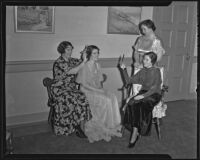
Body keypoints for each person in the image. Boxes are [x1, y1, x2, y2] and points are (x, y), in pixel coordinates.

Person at [76, 45, 122, 143]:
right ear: (89, 55)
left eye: (98, 53)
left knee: (112, 96)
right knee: (106, 99)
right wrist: (99, 91)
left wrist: (102, 90)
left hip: (96, 89)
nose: (97, 55)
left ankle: (111, 124)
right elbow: (84, 84)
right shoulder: (84, 66)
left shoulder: (97, 65)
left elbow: (100, 82)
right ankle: (102, 125)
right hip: (86, 90)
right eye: (94, 53)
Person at [119, 52, 162, 148]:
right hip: (143, 92)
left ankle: (135, 132)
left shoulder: (156, 71)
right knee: (132, 103)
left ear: (152, 61)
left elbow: (154, 88)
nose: (143, 61)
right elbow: (128, 81)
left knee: (141, 104)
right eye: (144, 59)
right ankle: (136, 130)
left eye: (146, 59)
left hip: (154, 94)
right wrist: (124, 69)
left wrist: (143, 96)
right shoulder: (143, 71)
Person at [51, 41, 92, 138]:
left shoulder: (72, 60)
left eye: (71, 49)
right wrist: (83, 62)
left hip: (70, 89)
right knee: (76, 98)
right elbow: (71, 71)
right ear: (62, 50)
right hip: (60, 89)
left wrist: (85, 54)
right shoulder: (59, 62)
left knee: (83, 97)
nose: (70, 51)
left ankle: (81, 126)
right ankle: (75, 126)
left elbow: (84, 65)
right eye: (68, 49)